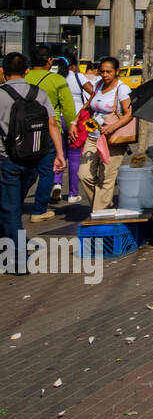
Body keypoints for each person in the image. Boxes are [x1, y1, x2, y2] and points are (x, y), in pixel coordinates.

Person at [0, 53, 66, 273]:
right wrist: (59, 153)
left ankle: (18, 262)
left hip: (7, 161)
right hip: (33, 161)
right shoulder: (40, 93)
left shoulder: (0, 95)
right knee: (12, 208)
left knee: (10, 211)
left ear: (3, 71)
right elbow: (52, 124)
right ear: (27, 70)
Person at [23, 47, 76, 223]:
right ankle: (39, 210)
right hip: (50, 132)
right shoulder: (57, 80)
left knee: (25, 170)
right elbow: (68, 109)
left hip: (23, 133)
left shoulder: (24, 78)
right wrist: (72, 129)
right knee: (46, 172)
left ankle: (16, 204)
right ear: (49, 61)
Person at [78, 57, 134, 211]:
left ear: (116, 72)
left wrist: (113, 127)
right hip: (93, 136)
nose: (104, 74)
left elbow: (130, 113)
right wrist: (75, 120)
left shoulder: (122, 89)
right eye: (102, 71)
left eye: (108, 71)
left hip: (112, 138)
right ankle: (104, 203)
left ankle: (98, 215)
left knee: (106, 178)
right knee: (84, 175)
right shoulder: (98, 84)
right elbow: (90, 103)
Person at [62, 53, 90, 204]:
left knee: (59, 154)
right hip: (76, 119)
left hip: (57, 119)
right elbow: (94, 92)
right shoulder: (79, 77)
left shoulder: (55, 78)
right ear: (73, 66)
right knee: (74, 156)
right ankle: (73, 193)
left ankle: (57, 183)